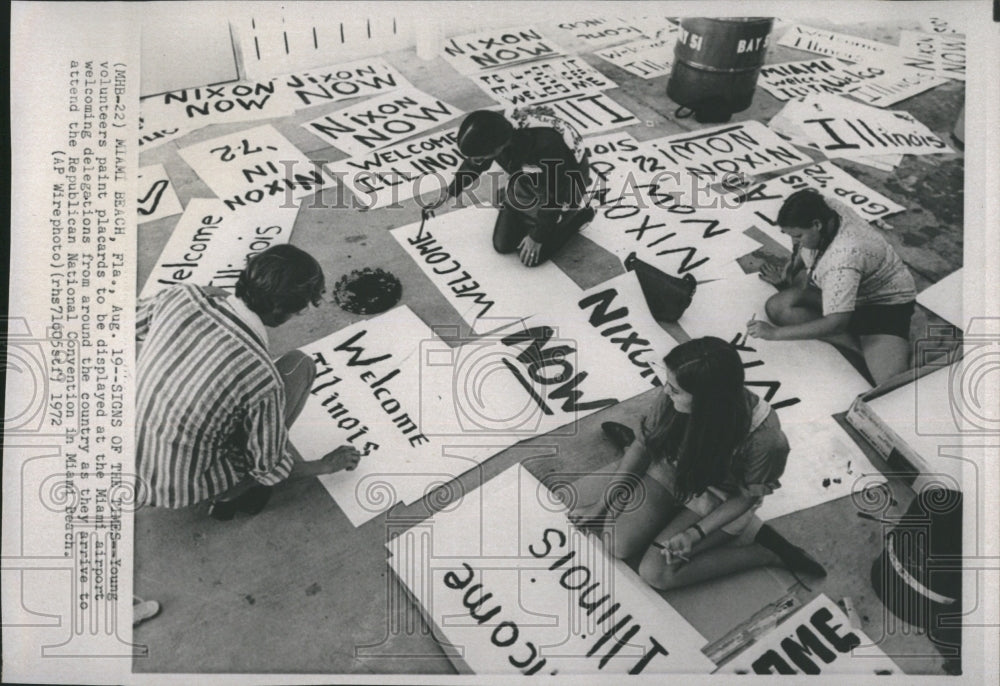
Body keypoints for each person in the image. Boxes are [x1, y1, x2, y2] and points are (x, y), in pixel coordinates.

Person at [570, 337, 826, 591]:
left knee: (656, 573)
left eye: (676, 390)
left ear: (708, 401)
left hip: (723, 495)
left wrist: (694, 534)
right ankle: (659, 501)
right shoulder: (674, 394)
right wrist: (600, 504)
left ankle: (766, 553)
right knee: (616, 543)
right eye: (668, 383)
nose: (666, 391)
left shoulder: (767, 439)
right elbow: (643, 446)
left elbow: (745, 497)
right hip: (677, 467)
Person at [135, 245, 362, 519]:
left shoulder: (181, 296)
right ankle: (231, 493)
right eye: (299, 311)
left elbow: (125, 323)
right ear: (280, 310)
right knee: (300, 365)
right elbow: (269, 469)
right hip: (180, 488)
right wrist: (325, 465)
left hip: (122, 456)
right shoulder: (260, 375)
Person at [749, 189, 917, 385]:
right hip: (848, 291)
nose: (795, 241)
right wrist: (790, 271)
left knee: (891, 383)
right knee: (778, 307)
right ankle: (856, 345)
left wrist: (774, 334)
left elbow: (837, 322)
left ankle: (871, 348)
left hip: (883, 306)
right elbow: (801, 248)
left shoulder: (843, 257)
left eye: (798, 235)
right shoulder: (827, 207)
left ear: (816, 225)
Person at [421, 109, 595, 267]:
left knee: (533, 257)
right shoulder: (494, 131)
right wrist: (450, 192)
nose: (477, 161)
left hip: (566, 182)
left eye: (481, 158)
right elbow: (473, 165)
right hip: (529, 177)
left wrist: (537, 237)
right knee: (503, 245)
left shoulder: (546, 145)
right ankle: (529, 209)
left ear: (499, 147)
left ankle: (579, 216)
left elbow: (555, 194)